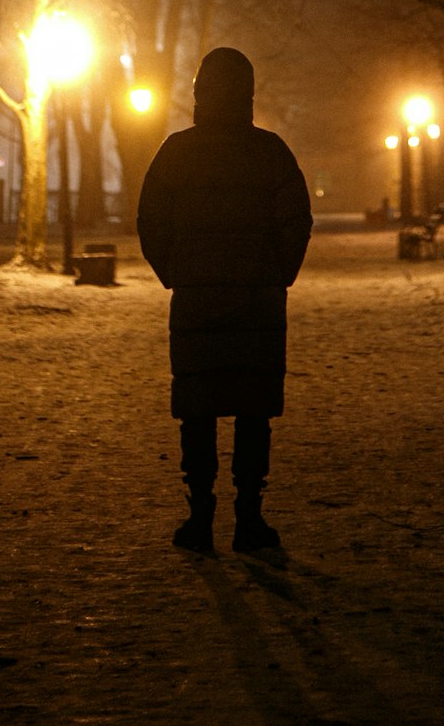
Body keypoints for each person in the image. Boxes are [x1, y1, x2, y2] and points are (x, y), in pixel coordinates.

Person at [137, 46, 312, 554]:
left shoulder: (176, 152)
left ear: (199, 93)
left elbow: (151, 220)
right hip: (258, 305)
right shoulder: (271, 152)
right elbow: (296, 219)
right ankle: (249, 517)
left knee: (198, 408)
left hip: (196, 305)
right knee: (253, 411)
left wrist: (176, 273)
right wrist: (277, 274)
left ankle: (199, 515)